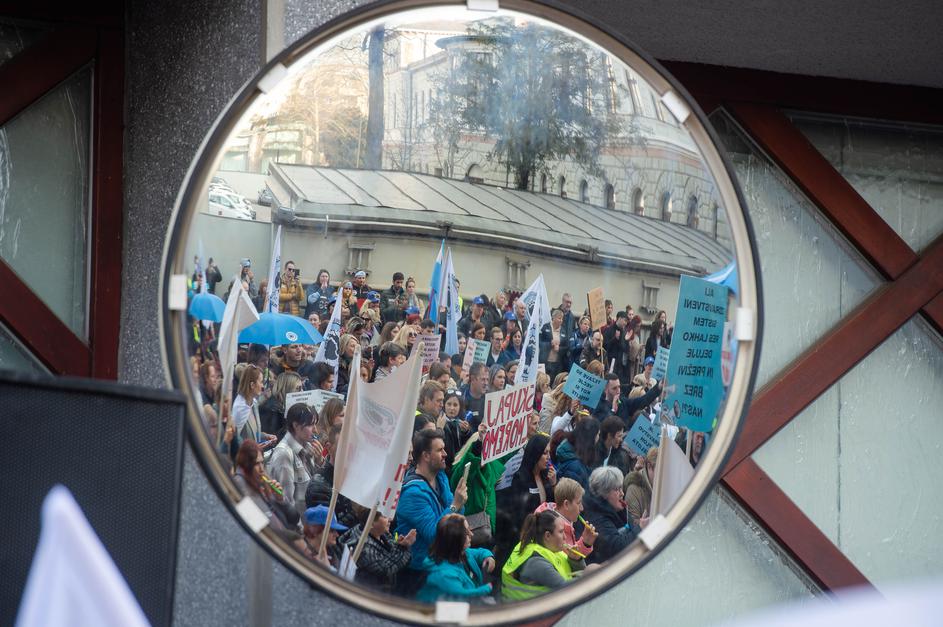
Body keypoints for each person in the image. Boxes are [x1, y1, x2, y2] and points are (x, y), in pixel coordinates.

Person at [394, 429, 468, 587]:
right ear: (426, 456)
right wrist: (455, 505)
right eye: (440, 450)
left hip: (440, 564)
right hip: (419, 573)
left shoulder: (441, 477)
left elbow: (458, 518)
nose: (445, 454)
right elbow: (435, 535)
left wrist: (459, 504)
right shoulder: (412, 494)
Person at [494, 434, 556, 565]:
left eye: (549, 452)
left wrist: (554, 484)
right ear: (535, 454)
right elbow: (519, 514)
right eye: (545, 453)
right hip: (528, 536)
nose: (548, 457)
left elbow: (553, 504)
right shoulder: (521, 477)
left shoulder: (547, 476)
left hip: (544, 534)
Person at [501, 510, 586, 600]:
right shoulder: (537, 563)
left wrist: (575, 560)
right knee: (592, 570)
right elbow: (569, 591)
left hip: (545, 605)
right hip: (532, 608)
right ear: (548, 536)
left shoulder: (547, 547)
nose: (565, 537)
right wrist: (590, 575)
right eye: (561, 532)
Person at [415, 514, 495, 603]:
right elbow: (462, 596)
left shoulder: (461, 552)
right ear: (454, 539)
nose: (471, 534)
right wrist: (488, 588)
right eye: (466, 533)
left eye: (470, 529)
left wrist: (487, 556)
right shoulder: (444, 576)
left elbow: (478, 553)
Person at [450, 421, 503, 547]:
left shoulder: (490, 466)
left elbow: (508, 452)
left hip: (487, 528)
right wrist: (479, 443)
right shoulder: (464, 468)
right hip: (469, 530)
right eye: (483, 450)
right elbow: (461, 476)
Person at [338, 508, 416, 594]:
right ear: (371, 523)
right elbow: (386, 568)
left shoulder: (382, 533)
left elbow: (393, 553)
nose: (390, 519)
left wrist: (400, 544)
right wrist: (402, 548)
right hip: (367, 593)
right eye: (385, 516)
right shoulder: (363, 546)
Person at [267, 403, 321, 516]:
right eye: (311, 425)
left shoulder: (308, 446)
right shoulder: (283, 454)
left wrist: (319, 461)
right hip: (298, 522)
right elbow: (287, 501)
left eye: (315, 424)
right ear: (296, 425)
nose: (316, 430)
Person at [582, 466, 638, 564]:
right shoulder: (596, 517)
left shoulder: (614, 509)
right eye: (617, 489)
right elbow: (616, 547)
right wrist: (640, 529)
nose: (622, 493)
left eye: (621, 488)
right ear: (604, 492)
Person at [305, 425, 357, 528]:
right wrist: (357, 511)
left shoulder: (354, 479)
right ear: (329, 447)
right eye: (344, 446)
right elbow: (328, 530)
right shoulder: (319, 485)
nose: (349, 451)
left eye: (353, 446)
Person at [534, 477, 597, 560]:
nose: (582, 508)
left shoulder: (559, 517)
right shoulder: (554, 528)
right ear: (566, 504)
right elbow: (568, 561)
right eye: (578, 503)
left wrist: (586, 543)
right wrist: (585, 543)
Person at [232, 364, 277, 449]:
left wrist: (266, 436)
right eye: (261, 382)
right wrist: (254, 448)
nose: (263, 386)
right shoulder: (239, 408)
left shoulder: (254, 403)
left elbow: (253, 434)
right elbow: (234, 440)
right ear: (252, 385)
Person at [554, 418, 599, 490]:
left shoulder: (581, 456)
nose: (598, 438)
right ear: (591, 437)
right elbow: (572, 494)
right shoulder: (575, 466)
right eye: (597, 434)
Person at [303, 504, 348, 570]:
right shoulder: (300, 551)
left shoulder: (333, 550)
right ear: (315, 530)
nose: (337, 535)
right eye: (331, 530)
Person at [258, 371, 303, 438]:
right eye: (298, 388)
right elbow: (273, 438)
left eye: (301, 388)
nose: (302, 391)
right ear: (287, 388)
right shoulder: (271, 410)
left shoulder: (282, 407)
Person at [623, 447, 657, 527]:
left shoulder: (664, 486)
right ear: (649, 466)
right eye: (660, 469)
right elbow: (632, 526)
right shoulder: (633, 489)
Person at [539, 309, 565, 381]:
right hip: (545, 362)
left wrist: (559, 349)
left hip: (556, 364)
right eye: (559, 318)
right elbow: (539, 343)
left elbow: (566, 347)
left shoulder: (563, 331)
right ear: (553, 318)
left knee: (553, 382)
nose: (561, 320)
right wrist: (550, 344)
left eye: (562, 319)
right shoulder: (545, 327)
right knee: (542, 381)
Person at [463, 362, 488, 429]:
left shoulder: (490, 398)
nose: (486, 383)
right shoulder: (461, 395)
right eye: (483, 379)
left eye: (487, 379)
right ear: (473, 379)